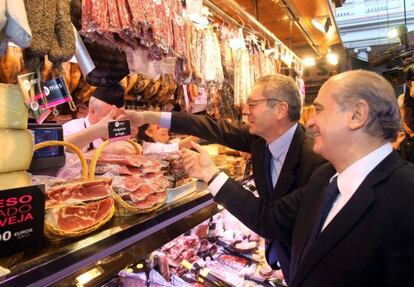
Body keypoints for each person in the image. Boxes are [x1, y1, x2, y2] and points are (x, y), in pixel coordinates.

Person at [182, 70, 414, 286]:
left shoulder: (406, 195)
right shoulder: (325, 178)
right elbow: (272, 222)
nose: (310, 122)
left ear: (357, 115)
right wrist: (210, 174)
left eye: (319, 110)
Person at [118, 74, 326, 280]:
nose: (245, 110)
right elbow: (212, 127)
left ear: (280, 110)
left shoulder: (316, 160)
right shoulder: (260, 140)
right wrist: (148, 117)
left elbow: (270, 220)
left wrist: (211, 175)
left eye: (252, 104)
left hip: (311, 266)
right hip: (283, 258)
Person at [63, 85, 139, 154]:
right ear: (92, 112)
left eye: (119, 117)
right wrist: (103, 151)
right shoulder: (70, 130)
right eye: (111, 117)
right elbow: (64, 166)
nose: (116, 122)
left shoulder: (118, 129)